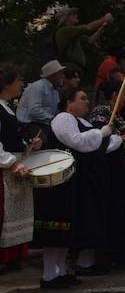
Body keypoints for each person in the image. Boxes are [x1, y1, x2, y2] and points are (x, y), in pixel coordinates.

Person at [36, 89, 124, 287]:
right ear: (69, 102)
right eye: (82, 99)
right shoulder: (63, 118)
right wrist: (101, 132)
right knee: (55, 230)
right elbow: (78, 142)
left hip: (73, 182)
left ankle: (61, 271)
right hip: (58, 182)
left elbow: (98, 146)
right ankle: (50, 274)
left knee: (66, 230)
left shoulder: (83, 123)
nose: (87, 103)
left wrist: (112, 138)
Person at [88, 82, 125, 270]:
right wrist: (121, 140)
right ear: (115, 94)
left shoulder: (115, 115)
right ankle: (105, 255)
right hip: (107, 171)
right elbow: (101, 144)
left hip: (119, 168)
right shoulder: (101, 114)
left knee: (118, 213)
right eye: (124, 94)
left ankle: (117, 254)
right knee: (110, 212)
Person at [0, 65, 40, 274]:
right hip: (5, 168)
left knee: (17, 214)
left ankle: (14, 256)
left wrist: (28, 144)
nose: (22, 85)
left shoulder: (7, 107)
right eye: (19, 81)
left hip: (15, 164)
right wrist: (12, 162)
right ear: (7, 84)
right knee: (5, 214)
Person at [54, 8, 113, 76]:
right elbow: (88, 27)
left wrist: (102, 27)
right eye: (73, 14)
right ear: (66, 18)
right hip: (70, 69)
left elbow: (90, 40)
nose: (76, 15)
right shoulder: (64, 31)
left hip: (75, 68)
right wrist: (104, 19)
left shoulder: (72, 34)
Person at [16, 60, 65, 133]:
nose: (63, 76)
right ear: (53, 74)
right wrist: (54, 119)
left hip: (41, 125)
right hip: (27, 125)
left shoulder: (55, 91)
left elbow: (55, 111)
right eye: (61, 73)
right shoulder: (38, 86)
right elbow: (34, 110)